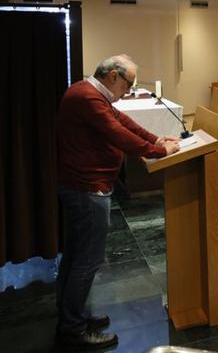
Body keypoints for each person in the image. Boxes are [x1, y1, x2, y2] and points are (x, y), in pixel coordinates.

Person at [56, 55, 180, 349]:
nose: (128, 90)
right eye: (129, 84)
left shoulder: (91, 93)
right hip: (86, 189)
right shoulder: (87, 97)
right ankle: (72, 329)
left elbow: (122, 121)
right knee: (86, 260)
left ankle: (72, 316)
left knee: (76, 256)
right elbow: (117, 134)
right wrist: (158, 151)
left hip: (82, 187)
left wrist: (155, 140)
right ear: (113, 75)